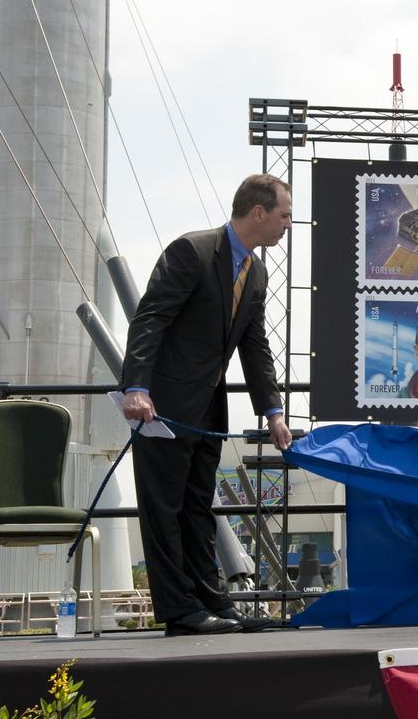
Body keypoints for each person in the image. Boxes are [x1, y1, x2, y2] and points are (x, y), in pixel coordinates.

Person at [121, 174, 294, 636]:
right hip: (162, 408)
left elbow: (254, 347)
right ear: (258, 213)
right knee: (164, 508)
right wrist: (136, 386)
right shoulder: (191, 252)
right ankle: (180, 612)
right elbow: (149, 319)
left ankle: (211, 602)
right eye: (284, 215)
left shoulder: (255, 272)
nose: (288, 225)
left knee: (199, 507)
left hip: (207, 410)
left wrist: (273, 411)